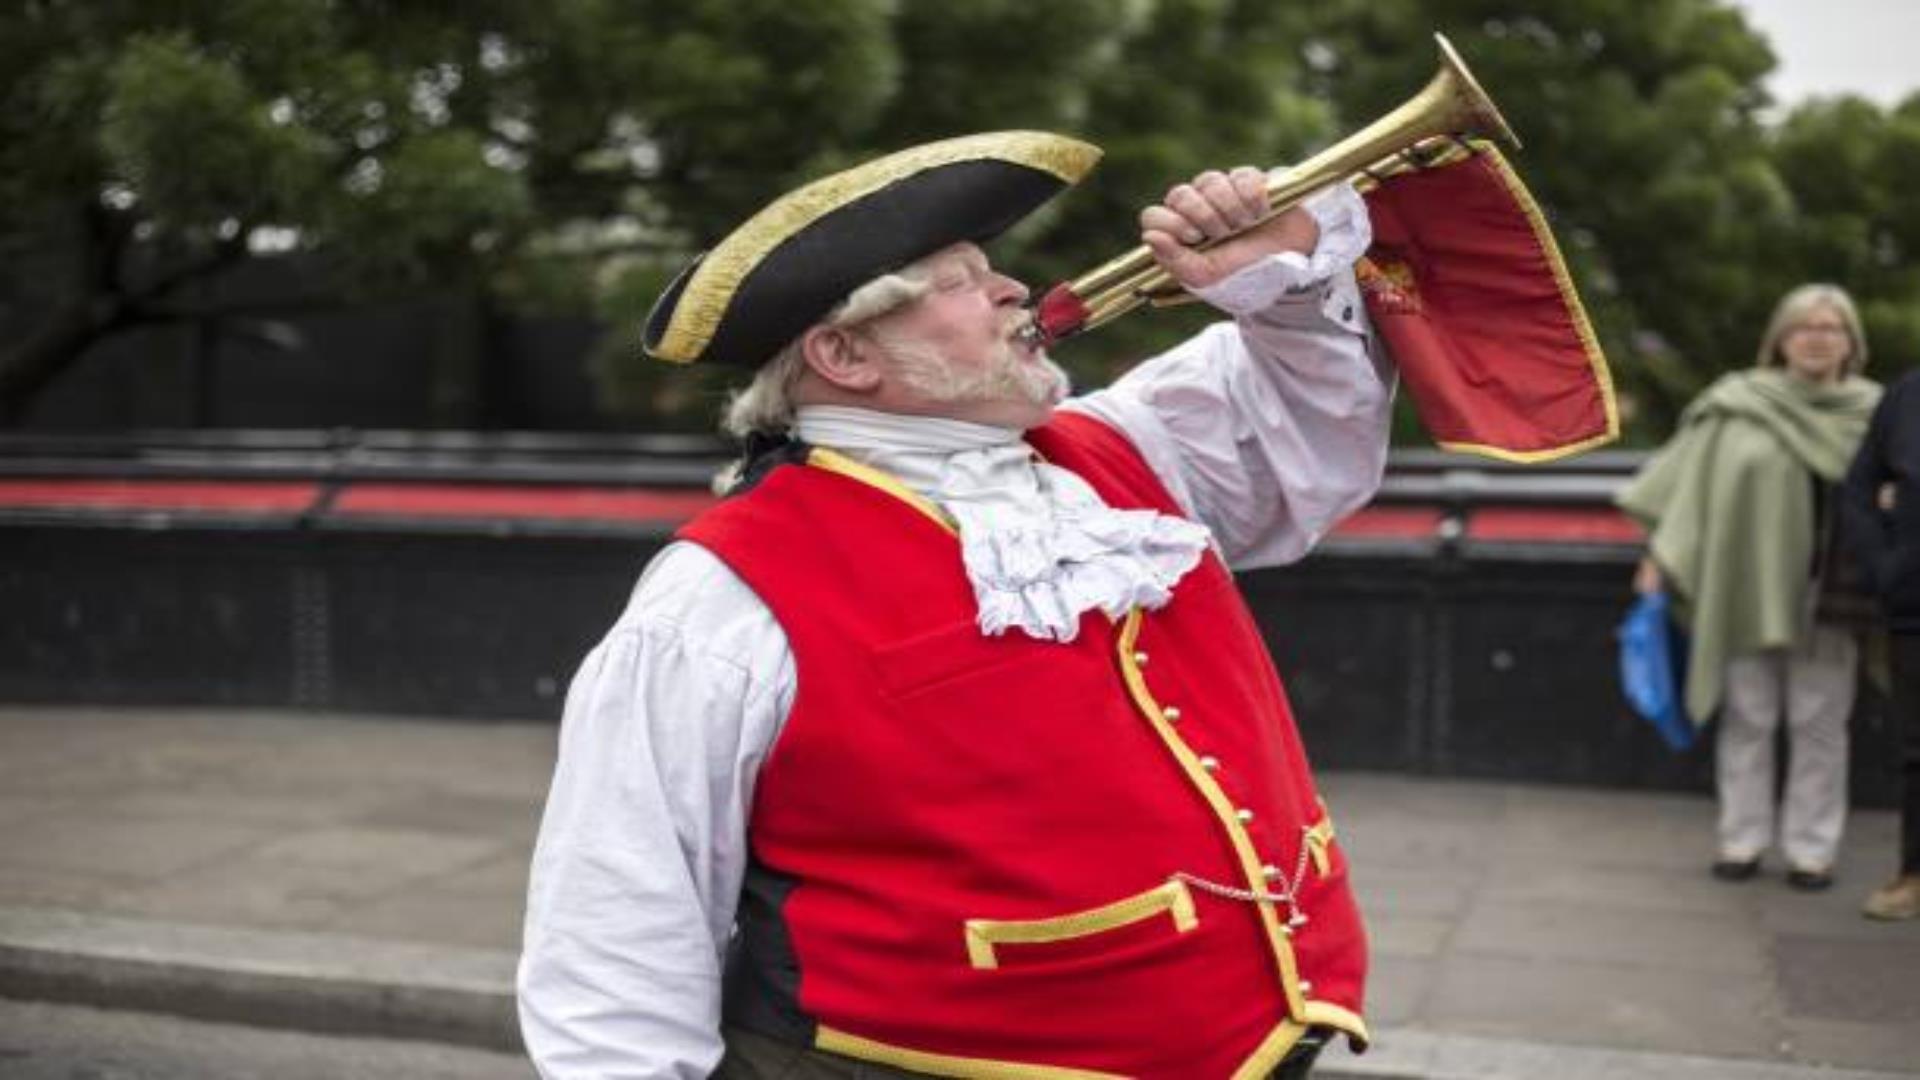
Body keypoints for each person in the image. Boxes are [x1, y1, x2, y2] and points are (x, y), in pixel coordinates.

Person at [517, 131, 1392, 1079]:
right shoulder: (722, 590)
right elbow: (619, 908)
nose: (1014, 290)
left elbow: (1311, 447)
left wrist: (1282, 286)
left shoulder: (1119, 447)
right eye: (960, 280)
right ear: (845, 353)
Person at [1618, 283, 1881, 891]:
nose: (1817, 338)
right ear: (1780, 339)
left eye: (1830, 328)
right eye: (1803, 327)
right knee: (1748, 716)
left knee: (1820, 723)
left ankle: (1812, 851)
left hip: (1834, 596)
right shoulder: (1736, 404)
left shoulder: (1875, 413)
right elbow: (1684, 488)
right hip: (1743, 586)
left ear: (1851, 342)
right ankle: (1742, 840)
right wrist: (1659, 557)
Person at [1840, 369, 1920, 920]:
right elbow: (1858, 488)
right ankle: (1913, 875)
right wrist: (1883, 566)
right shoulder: (1906, 395)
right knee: (1918, 747)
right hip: (1915, 599)